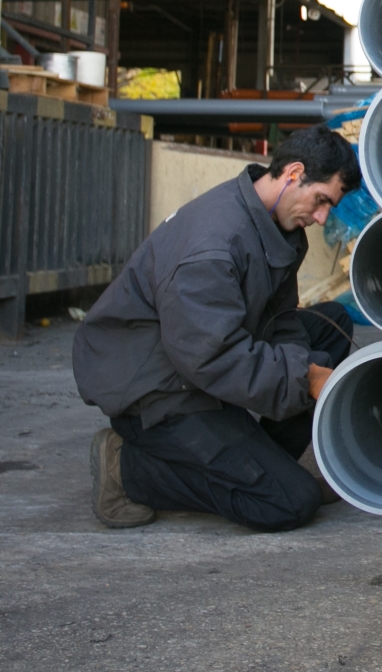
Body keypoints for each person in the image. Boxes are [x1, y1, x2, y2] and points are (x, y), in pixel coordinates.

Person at [72, 125, 361, 532]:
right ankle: (127, 467)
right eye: (321, 202)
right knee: (290, 503)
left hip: (196, 355)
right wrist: (309, 376)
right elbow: (213, 356)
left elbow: (280, 319)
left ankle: (262, 466)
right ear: (294, 173)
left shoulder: (275, 222)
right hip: (158, 388)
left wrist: (305, 370)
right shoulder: (212, 245)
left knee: (332, 325)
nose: (321, 217)